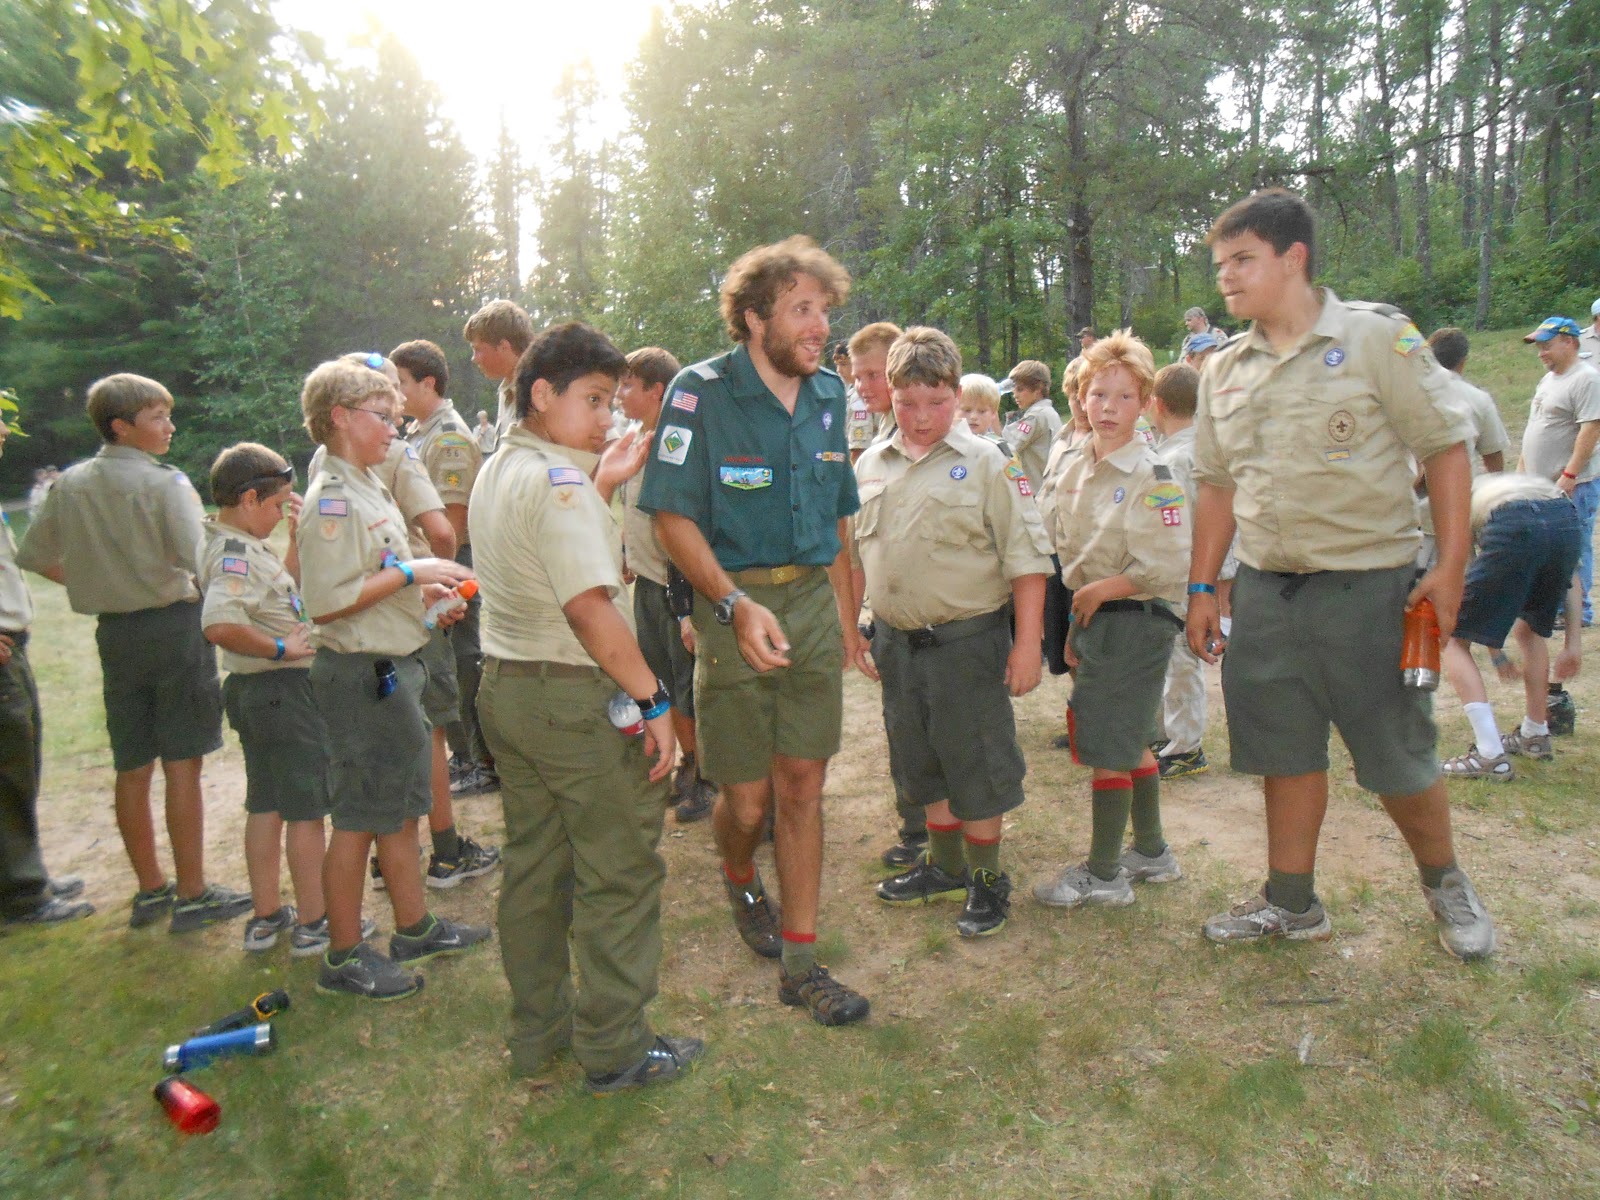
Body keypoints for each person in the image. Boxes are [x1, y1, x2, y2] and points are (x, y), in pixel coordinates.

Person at [1186, 187, 1495, 961]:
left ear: (1294, 257)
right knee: (1283, 751)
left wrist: (1451, 566)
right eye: (1221, 264)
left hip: (1369, 587)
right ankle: (1291, 903)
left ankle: (1446, 884)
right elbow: (1216, 485)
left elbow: (1444, 448)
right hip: (1267, 590)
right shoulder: (1223, 369)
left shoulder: (1373, 339)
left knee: (1397, 756)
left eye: (1242, 260)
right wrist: (1201, 586)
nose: (1226, 277)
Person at [638, 235, 871, 1027]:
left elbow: (839, 520)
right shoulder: (700, 395)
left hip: (808, 605)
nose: (819, 327)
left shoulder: (831, 393)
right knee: (745, 802)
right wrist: (734, 606)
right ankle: (740, 876)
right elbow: (672, 518)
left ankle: (801, 965)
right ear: (752, 318)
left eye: (823, 310)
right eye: (802, 309)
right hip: (730, 607)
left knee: (802, 784)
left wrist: (846, 619)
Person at [471, 320, 703, 1092]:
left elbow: (547, 550)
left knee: (536, 866)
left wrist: (601, 482)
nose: (609, 416)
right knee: (619, 870)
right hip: (572, 698)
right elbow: (589, 610)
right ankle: (616, 1047)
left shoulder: (506, 465)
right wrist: (654, 699)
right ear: (542, 394)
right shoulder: (558, 483)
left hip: (509, 688)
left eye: (612, 400)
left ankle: (538, 1031)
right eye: (594, 399)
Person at [18, 373, 249, 933]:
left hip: (115, 635)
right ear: (121, 426)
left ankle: (150, 889)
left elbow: (34, 554)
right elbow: (201, 561)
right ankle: (192, 894)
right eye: (157, 417)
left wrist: (95, 583)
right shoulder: (164, 484)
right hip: (171, 629)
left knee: (132, 763)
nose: (170, 427)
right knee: (183, 762)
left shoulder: (70, 484)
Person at [296, 358, 490, 1000]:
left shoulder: (368, 484)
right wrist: (414, 573)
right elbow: (326, 601)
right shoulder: (332, 498)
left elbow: (373, 574)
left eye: (395, 418)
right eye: (382, 417)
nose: (393, 429)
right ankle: (343, 955)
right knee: (359, 816)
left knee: (401, 808)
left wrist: (427, 597)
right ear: (340, 418)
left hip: (393, 664)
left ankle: (414, 926)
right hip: (361, 676)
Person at [853, 327, 1051, 937]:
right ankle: (944, 866)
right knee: (920, 759)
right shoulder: (871, 464)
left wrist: (1028, 645)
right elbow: (858, 555)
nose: (921, 417)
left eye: (936, 403)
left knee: (975, 762)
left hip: (966, 642)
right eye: (907, 403)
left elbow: (1027, 559)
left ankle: (987, 878)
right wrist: (855, 627)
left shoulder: (989, 462)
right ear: (890, 396)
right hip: (896, 642)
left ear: (957, 395)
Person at [1034, 332, 1190, 911]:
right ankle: (1150, 851)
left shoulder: (1154, 473)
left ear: (1146, 403)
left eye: (1125, 397)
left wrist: (1102, 590)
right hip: (1094, 613)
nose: (1108, 408)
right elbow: (1053, 534)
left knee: (1108, 744)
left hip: (1135, 616)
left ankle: (1104, 874)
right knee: (1132, 737)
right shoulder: (1076, 461)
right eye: (1098, 394)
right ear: (1080, 397)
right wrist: (1079, 617)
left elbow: (1167, 562)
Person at [199, 443, 349, 954]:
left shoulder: (239, 542)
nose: (282, 513)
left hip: (256, 693)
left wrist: (296, 539)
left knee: (265, 803)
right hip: (282, 692)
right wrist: (281, 648)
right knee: (306, 810)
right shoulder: (235, 555)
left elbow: (278, 594)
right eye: (278, 504)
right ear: (249, 499)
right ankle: (315, 921)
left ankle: (267, 915)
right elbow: (219, 623)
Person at [388, 342, 503, 877]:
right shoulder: (417, 434)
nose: (396, 394)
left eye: (401, 383)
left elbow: (451, 524)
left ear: (427, 383)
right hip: (427, 574)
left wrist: (445, 584)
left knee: (460, 663)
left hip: (448, 568)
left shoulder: (449, 436)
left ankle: (479, 760)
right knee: (444, 672)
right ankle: (464, 756)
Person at [616, 345, 717, 823]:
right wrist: (626, 554)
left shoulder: (677, 442)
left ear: (657, 390)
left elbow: (681, 520)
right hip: (648, 583)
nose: (619, 395)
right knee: (658, 681)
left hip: (678, 587)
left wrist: (686, 608)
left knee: (686, 687)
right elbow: (635, 512)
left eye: (628, 386)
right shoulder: (638, 440)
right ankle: (684, 763)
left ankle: (703, 774)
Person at [0, 415, 91, 927]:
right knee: (7, 775)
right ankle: (21, 894)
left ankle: (24, 873)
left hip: (13, 645)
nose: (4, 430)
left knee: (22, 763)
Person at [1439, 472, 1582, 781]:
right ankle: (1535, 734)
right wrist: (1573, 644)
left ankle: (1489, 755)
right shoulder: (1499, 485)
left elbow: (1468, 581)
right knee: (1528, 628)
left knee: (1452, 639)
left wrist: (1497, 654)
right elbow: (1572, 576)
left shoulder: (1454, 502)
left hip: (1513, 521)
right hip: (1563, 514)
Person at [849, 319, 927, 868]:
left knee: (938, 731)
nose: (863, 386)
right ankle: (916, 826)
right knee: (903, 728)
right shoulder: (875, 445)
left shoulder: (926, 440)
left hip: (938, 617)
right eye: (857, 377)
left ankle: (941, 833)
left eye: (873, 374)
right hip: (890, 616)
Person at [1146, 364, 1209, 780]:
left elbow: (1175, 526)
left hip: (1180, 572)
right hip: (1189, 570)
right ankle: (1171, 733)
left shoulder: (1174, 459)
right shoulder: (1195, 449)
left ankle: (1186, 745)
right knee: (1172, 657)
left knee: (1181, 659)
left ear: (1158, 405)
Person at [1516, 317, 1600, 627]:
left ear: (1570, 342)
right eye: (1539, 347)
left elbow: (1591, 429)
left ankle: (1579, 612)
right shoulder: (1548, 380)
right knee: (1548, 547)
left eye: (1547, 346)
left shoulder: (1586, 379)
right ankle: (1554, 607)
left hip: (1574, 484)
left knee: (1573, 547)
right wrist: (1521, 475)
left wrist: (1570, 475)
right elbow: (1535, 428)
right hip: (1541, 484)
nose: (1541, 353)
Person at [464, 299, 536, 446]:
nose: (474, 359)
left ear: (504, 347)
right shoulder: (507, 391)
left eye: (478, 349)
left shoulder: (539, 393)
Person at [1000, 359, 1062, 494]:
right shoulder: (1050, 413)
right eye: (1014, 390)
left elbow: (1007, 447)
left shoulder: (1035, 416)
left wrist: (992, 416)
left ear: (1038, 389)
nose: (1015, 395)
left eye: (1020, 389)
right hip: (1048, 488)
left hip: (1036, 491)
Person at [957, 373, 1010, 452]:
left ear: (993, 414)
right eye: (967, 410)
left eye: (982, 411)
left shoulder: (1000, 451)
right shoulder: (942, 446)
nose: (973, 416)